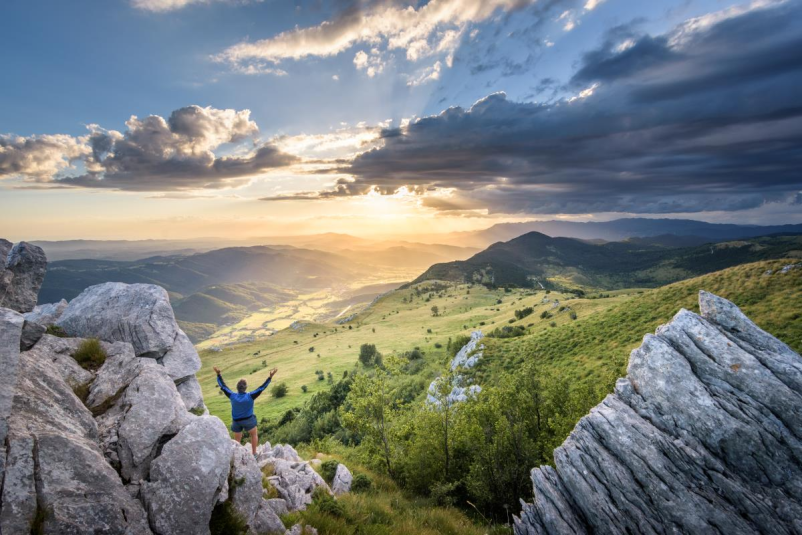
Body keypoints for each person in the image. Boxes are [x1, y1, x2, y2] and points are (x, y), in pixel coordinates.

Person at [213, 365, 277, 455]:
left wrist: (218, 374)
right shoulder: (250, 396)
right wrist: (270, 377)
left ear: (237, 387)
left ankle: (237, 455)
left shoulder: (232, 396)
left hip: (236, 422)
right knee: (254, 434)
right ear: (245, 387)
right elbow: (261, 388)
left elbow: (223, 386)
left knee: (237, 440)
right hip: (248, 420)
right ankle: (254, 454)